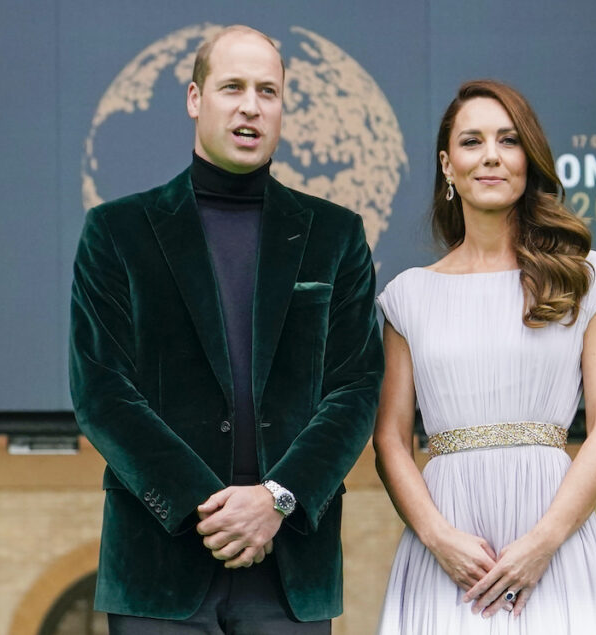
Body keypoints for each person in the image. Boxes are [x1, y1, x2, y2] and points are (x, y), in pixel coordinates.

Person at [69, 25, 383, 634]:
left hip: (290, 572)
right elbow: (102, 393)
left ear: (283, 107)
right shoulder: (116, 231)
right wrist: (207, 509)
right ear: (195, 98)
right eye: (232, 87)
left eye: (268, 91)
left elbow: (354, 390)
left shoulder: (336, 234)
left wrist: (277, 499)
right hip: (159, 573)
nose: (250, 106)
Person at [373, 79, 596, 633]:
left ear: (528, 158)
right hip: (446, 552)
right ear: (447, 164)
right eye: (472, 142)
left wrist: (542, 544)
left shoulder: (587, 279)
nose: (490, 156)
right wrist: (440, 540)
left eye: (508, 140)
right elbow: (391, 441)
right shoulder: (407, 296)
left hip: (556, 541)